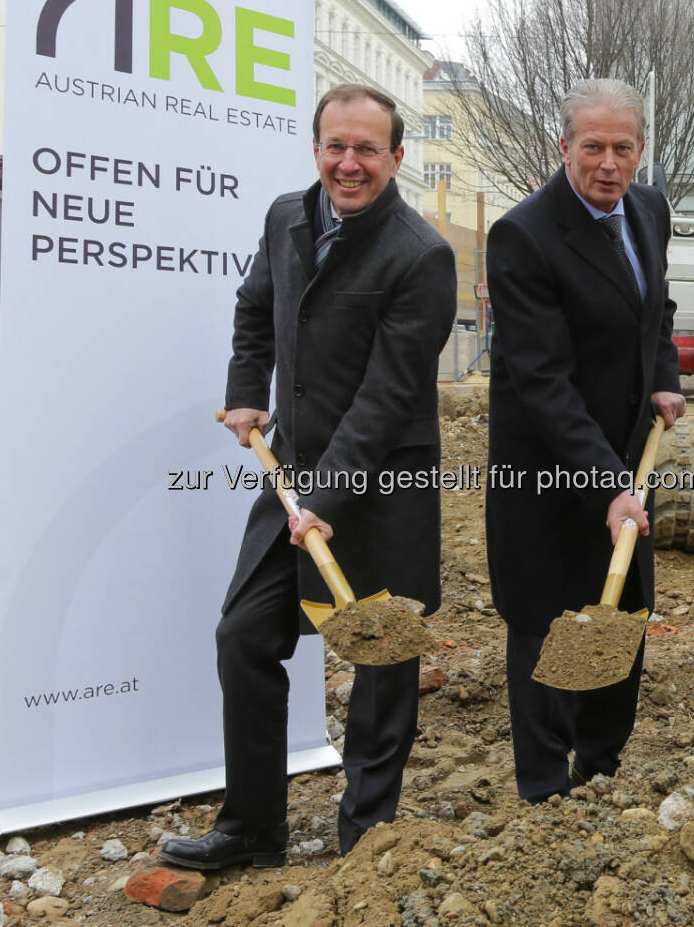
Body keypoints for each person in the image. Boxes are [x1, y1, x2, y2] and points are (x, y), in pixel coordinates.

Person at [160, 84, 457, 870]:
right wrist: (243, 391)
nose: (348, 164)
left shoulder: (420, 255)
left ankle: (366, 837)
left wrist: (323, 499)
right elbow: (255, 306)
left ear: (397, 157)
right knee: (244, 635)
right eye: (336, 146)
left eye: (367, 149)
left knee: (383, 654)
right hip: (292, 470)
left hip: (383, 480)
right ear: (316, 147)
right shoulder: (285, 217)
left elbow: (389, 396)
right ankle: (253, 829)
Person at [484, 78, 685, 803]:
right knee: (547, 618)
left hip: (624, 452)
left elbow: (656, 305)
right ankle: (544, 789)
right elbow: (541, 380)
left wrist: (663, 374)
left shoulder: (649, 209)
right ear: (562, 146)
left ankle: (599, 766)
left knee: (619, 610)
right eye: (592, 146)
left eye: (622, 147)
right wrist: (608, 483)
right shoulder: (523, 235)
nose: (608, 162)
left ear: (640, 150)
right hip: (543, 461)